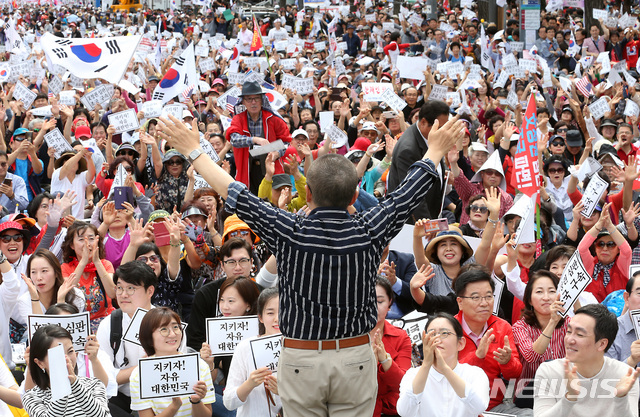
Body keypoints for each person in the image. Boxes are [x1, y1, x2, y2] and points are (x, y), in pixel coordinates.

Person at [156, 112, 464, 416]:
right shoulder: (369, 230)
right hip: (354, 357)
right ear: (356, 193)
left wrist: (193, 151)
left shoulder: (289, 230)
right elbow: (405, 196)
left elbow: (234, 192)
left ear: (309, 193)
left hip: (302, 359)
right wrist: (435, 150)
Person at [534, 304, 640, 416]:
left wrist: (621, 399)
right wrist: (570, 398)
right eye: (569, 331)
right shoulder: (549, 371)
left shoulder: (625, 376)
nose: (570, 340)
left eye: (579, 334)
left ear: (602, 344)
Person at [453, 269, 530, 416]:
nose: (484, 303)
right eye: (476, 298)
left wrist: (507, 362)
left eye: (488, 296)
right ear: (460, 302)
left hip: (493, 407)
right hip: (457, 407)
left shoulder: (502, 327)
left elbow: (514, 375)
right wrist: (477, 356)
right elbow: (445, 374)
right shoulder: (448, 329)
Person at [96, 260, 159, 417]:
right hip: (122, 397)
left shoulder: (168, 324)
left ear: (150, 291)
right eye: (119, 288)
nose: (123, 295)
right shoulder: (109, 324)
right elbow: (106, 380)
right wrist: (143, 367)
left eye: (131, 288)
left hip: (159, 396)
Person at [396, 312, 490, 417]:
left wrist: (445, 369)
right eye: (431, 334)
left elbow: (479, 407)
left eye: (444, 333)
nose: (437, 339)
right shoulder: (412, 375)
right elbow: (404, 412)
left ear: (460, 343)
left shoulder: (475, 374)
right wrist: (426, 364)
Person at [129, 307, 215, 417]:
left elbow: (207, 415)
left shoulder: (199, 366)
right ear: (149, 337)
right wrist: (175, 405)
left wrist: (196, 401)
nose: (173, 334)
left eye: (176, 327)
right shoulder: (139, 374)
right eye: (164, 329)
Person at [22, 324, 111, 417]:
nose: (67, 358)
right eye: (58, 354)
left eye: (70, 351)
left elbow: (101, 415)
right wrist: (62, 384)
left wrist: (75, 385)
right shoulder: (32, 397)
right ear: (40, 363)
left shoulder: (94, 385)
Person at [387, 100, 452, 223]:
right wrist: (427, 223)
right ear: (423, 123)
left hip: (432, 210)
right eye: (440, 128)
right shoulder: (408, 150)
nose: (444, 132)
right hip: (411, 222)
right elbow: (412, 192)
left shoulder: (429, 138)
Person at [512, 271, 569, 408]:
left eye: (551, 291)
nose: (546, 297)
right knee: (550, 365)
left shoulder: (569, 324)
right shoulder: (520, 327)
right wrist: (552, 323)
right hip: (529, 395)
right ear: (530, 300)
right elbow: (532, 356)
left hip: (563, 390)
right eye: (539, 292)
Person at [223, 287, 281, 416]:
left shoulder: (299, 348)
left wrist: (285, 391)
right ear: (260, 317)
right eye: (270, 313)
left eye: (283, 312)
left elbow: (313, 395)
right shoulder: (245, 347)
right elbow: (228, 402)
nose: (277, 319)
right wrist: (249, 384)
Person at [225, 81, 292, 194]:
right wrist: (255, 139)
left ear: (262, 99)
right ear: (243, 102)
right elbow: (234, 139)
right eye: (249, 99)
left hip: (271, 167)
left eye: (256, 98)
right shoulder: (238, 119)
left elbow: (285, 142)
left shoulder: (273, 118)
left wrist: (277, 153)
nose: (253, 102)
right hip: (248, 171)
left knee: (273, 203)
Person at [370, 276, 411, 416]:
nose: (373, 306)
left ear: (390, 304)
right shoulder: (348, 335)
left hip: (389, 410)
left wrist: (385, 360)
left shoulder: (401, 337)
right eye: (368, 301)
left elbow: (404, 383)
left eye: (380, 301)